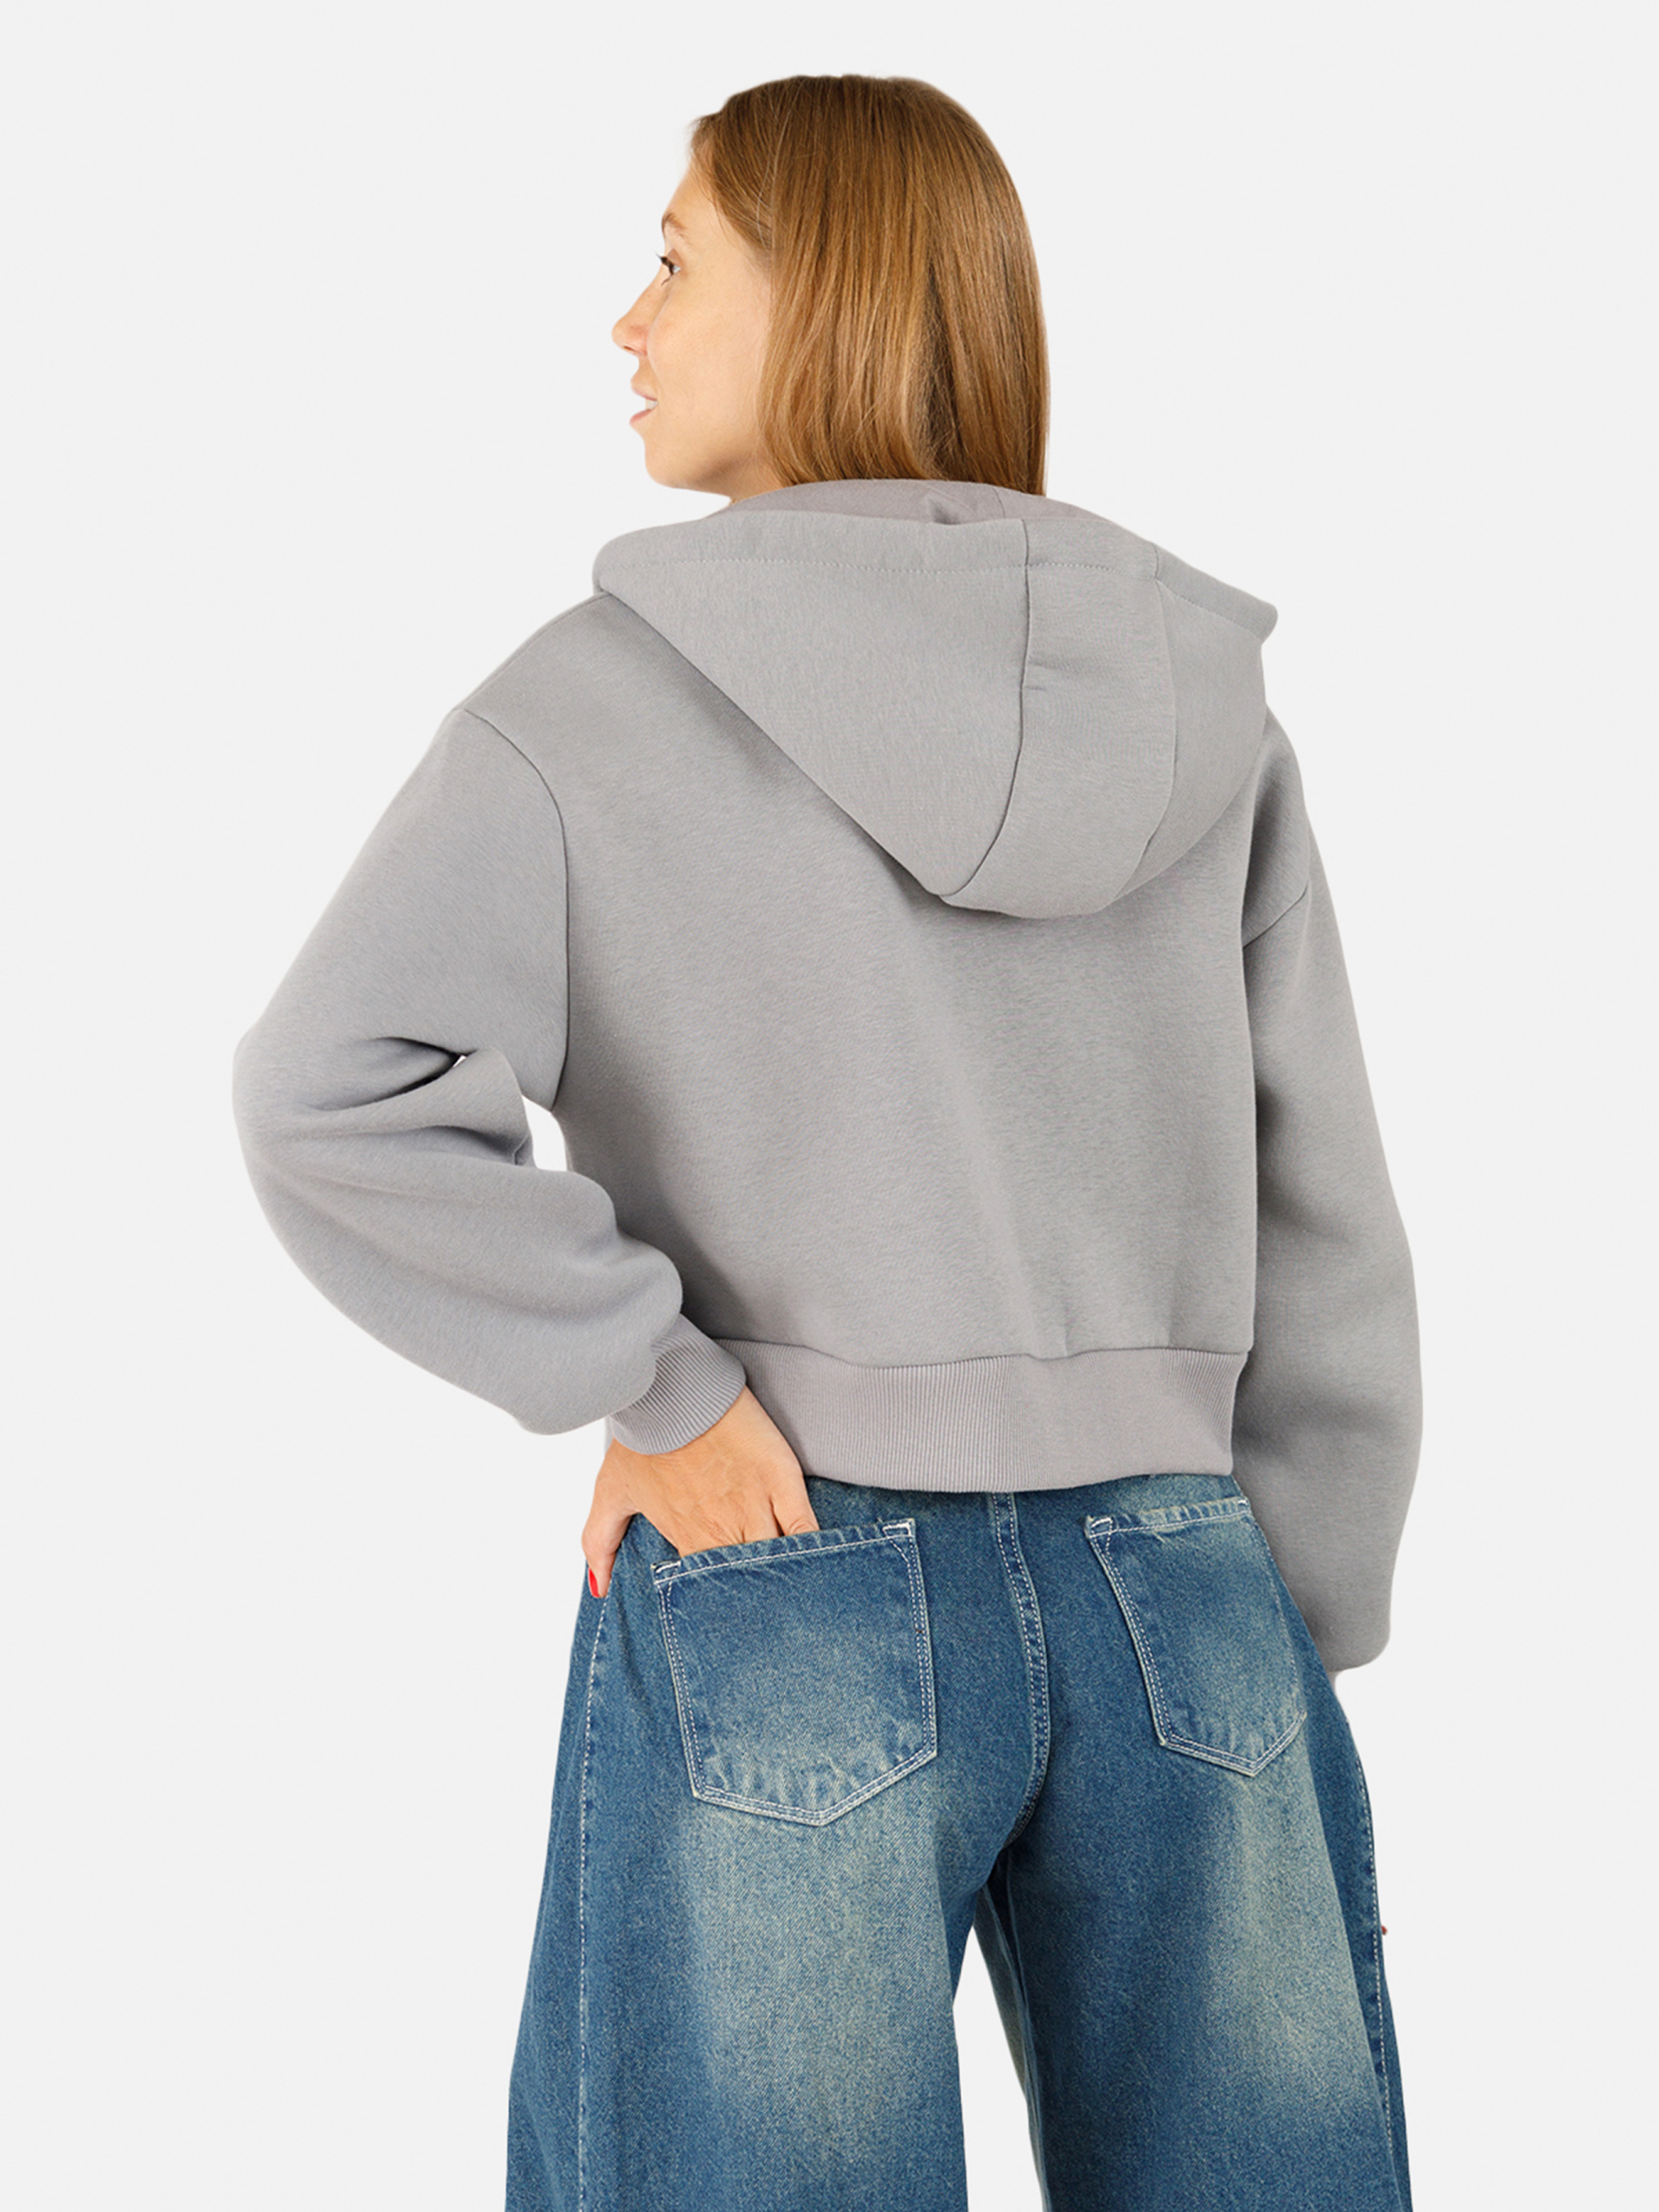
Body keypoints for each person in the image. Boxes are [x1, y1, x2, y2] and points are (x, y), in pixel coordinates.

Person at [230, 72, 1421, 2212]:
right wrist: (1291, 1596)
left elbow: (328, 1085)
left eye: (673, 259)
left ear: (826, 297)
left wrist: (656, 1386)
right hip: (1184, 1570)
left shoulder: (592, 701)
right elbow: (1315, 1178)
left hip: (786, 1552)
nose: (627, 321)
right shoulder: (1197, 702)